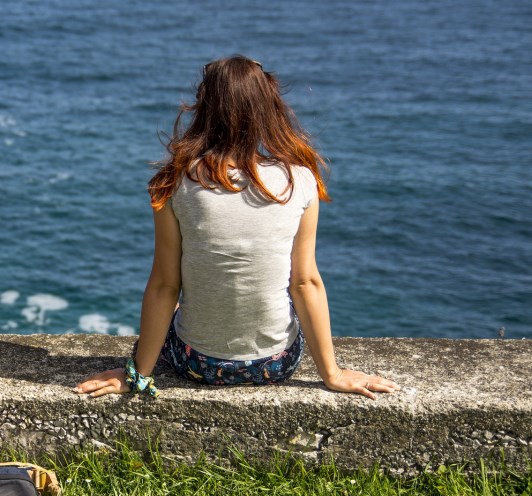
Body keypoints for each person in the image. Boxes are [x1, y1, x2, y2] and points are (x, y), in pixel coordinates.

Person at [74, 56, 399, 399]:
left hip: (197, 363)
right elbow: (304, 282)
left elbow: (165, 285)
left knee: (180, 307)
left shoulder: (173, 183)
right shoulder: (300, 181)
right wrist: (332, 374)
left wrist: (137, 374)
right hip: (275, 364)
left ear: (204, 108)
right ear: (268, 108)